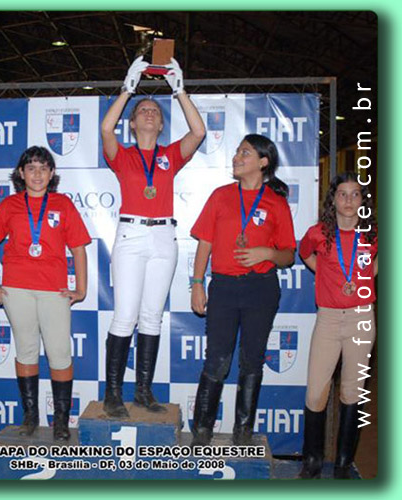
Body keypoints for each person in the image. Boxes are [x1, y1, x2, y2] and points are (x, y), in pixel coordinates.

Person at [100, 56, 206, 418]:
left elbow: (198, 133)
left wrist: (179, 91)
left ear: (161, 125)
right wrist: (127, 90)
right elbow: (104, 130)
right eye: (142, 110)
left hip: (164, 237)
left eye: (154, 111)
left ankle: (143, 391)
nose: (148, 113)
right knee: (124, 316)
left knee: (151, 318)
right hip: (130, 236)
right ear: (132, 123)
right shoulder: (123, 155)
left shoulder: (169, 156)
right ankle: (113, 393)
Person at [189, 134, 296, 446]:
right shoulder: (220, 196)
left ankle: (243, 431)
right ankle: (202, 431)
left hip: (260, 289)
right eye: (237, 152)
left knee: (251, 361)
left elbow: (289, 254)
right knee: (216, 361)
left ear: (263, 162)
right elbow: (204, 244)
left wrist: (267, 253)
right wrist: (197, 284)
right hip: (222, 288)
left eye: (245, 153)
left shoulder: (276, 203)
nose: (237, 157)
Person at [0, 146, 91, 441]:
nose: (37, 174)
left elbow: (78, 248)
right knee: (26, 350)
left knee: (59, 353)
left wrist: (81, 288)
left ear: (52, 173)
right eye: (31, 168)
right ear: (21, 173)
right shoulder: (10, 205)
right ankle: (30, 416)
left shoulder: (63, 204)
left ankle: (61, 422)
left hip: (54, 290)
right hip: (16, 289)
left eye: (43, 168)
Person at [298, 172, 377, 479]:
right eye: (342, 194)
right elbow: (305, 254)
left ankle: (343, 462)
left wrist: (364, 282)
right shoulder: (318, 233)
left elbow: (376, 264)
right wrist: (326, 276)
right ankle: (313, 459)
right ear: (332, 199)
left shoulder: (372, 235)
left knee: (352, 391)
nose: (348, 200)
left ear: (362, 200)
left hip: (361, 319)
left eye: (354, 194)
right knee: (316, 391)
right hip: (329, 319)